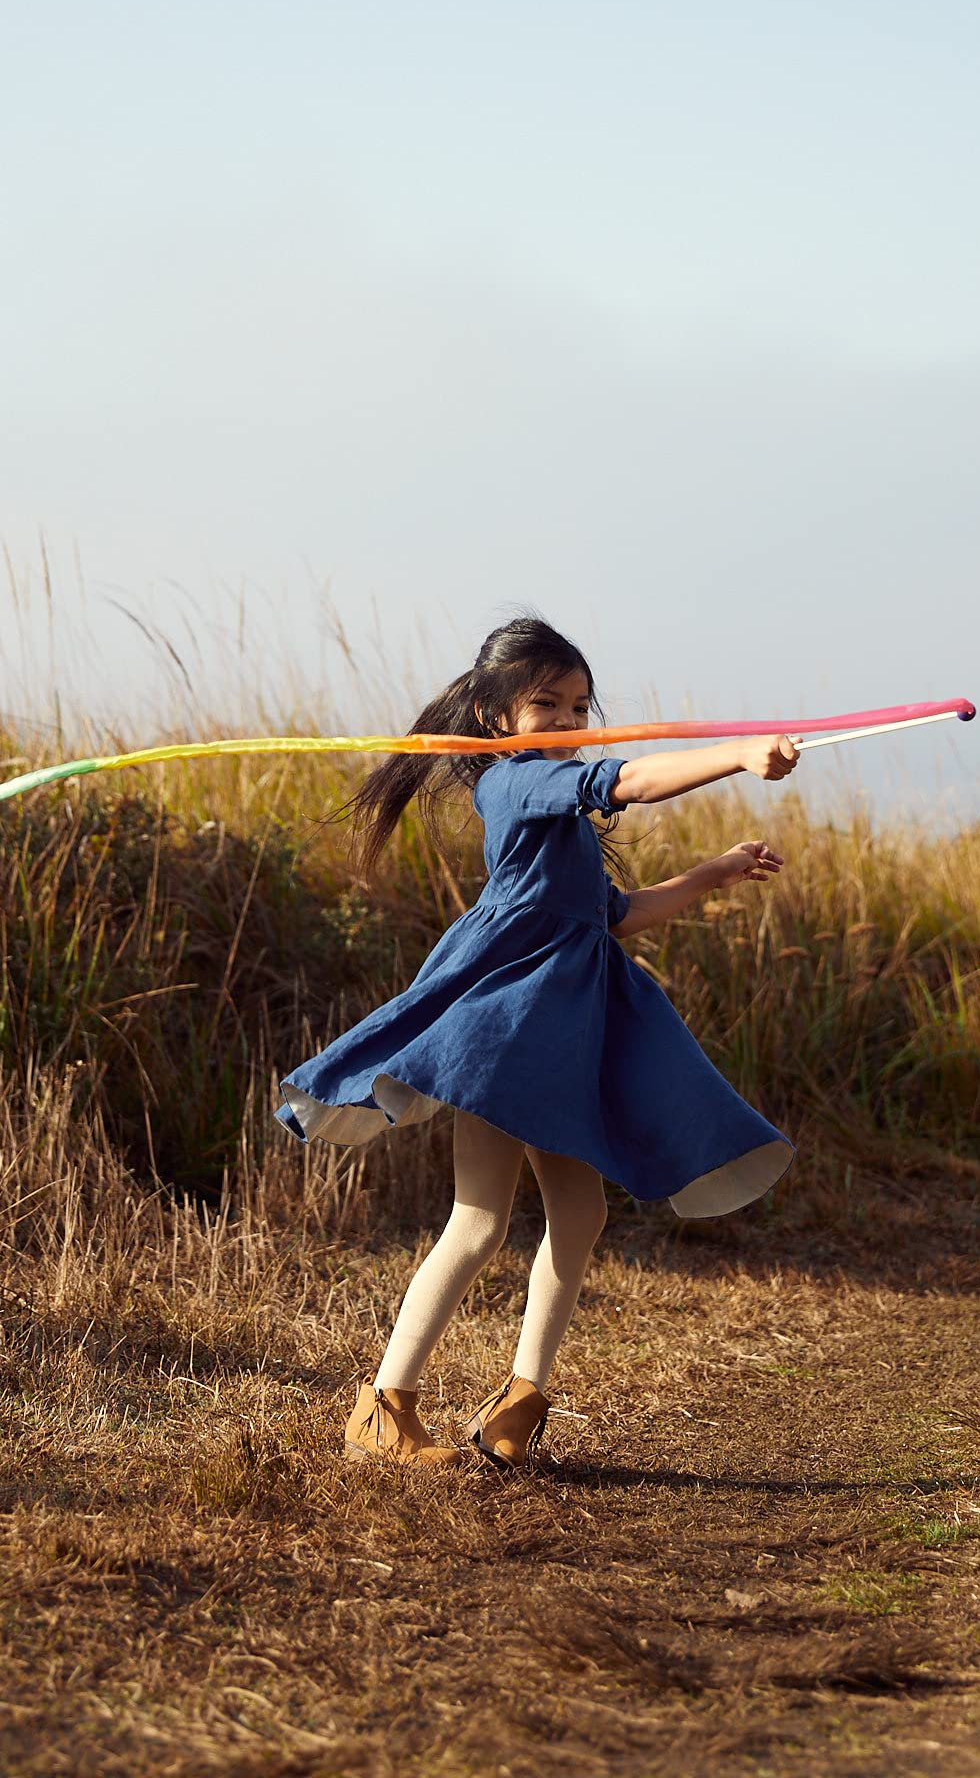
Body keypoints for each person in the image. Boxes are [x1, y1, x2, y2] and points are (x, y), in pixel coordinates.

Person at [276, 617, 800, 1472]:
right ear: (494, 721)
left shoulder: (556, 800)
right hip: (511, 1031)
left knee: (581, 1214)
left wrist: (713, 873)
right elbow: (624, 779)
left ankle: (519, 1402)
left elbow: (614, 914)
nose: (566, 720)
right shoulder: (515, 785)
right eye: (545, 706)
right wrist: (737, 754)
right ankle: (384, 1407)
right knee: (479, 1221)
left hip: (565, 1038)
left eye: (579, 706)